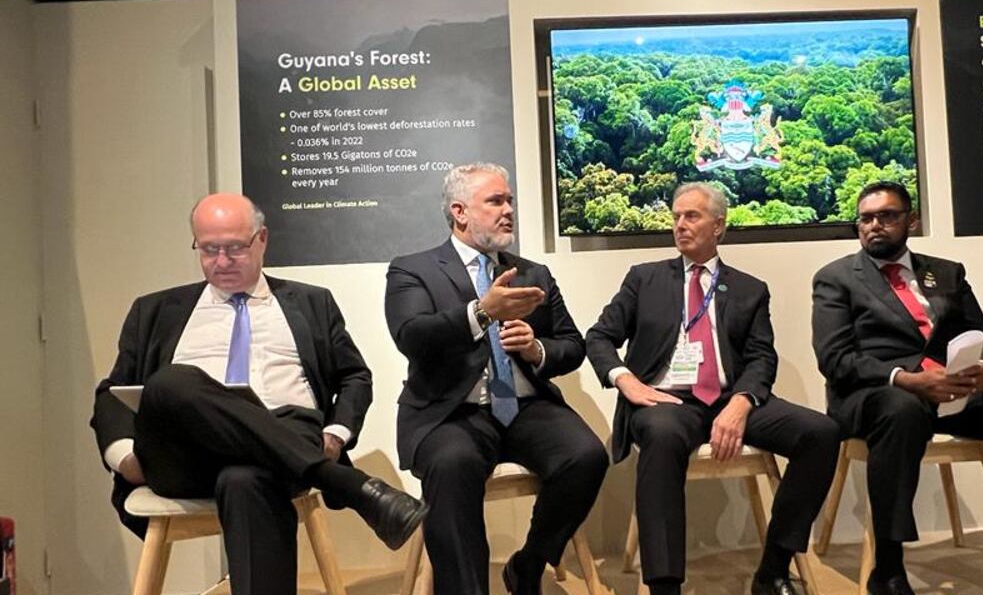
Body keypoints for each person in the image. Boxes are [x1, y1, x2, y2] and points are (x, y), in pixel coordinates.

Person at [90, 193, 427, 595]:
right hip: (184, 456)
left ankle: (330, 473)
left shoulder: (311, 302)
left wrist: (336, 435)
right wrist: (124, 456)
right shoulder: (156, 310)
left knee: (245, 480)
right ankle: (345, 484)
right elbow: (111, 393)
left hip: (282, 443)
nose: (221, 260)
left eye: (234, 247)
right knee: (171, 382)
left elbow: (354, 376)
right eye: (208, 248)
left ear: (262, 239)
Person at [811, 180, 983, 595]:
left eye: (887, 216)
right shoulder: (837, 279)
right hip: (876, 394)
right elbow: (835, 360)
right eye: (866, 219)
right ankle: (889, 568)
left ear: (910, 221)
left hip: (956, 391)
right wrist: (909, 379)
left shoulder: (946, 273)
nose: (875, 225)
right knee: (903, 409)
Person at [585, 182, 839, 595]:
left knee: (822, 433)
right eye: (676, 216)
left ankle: (773, 569)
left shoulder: (748, 289)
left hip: (729, 396)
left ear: (718, 226)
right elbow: (598, 337)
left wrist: (741, 402)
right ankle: (665, 585)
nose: (679, 225)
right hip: (666, 400)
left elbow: (762, 358)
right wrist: (625, 380)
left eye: (692, 216)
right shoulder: (644, 279)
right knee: (663, 436)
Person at [384, 162, 608, 595]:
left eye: (509, 200)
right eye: (495, 201)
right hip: (450, 412)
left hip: (526, 406)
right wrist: (482, 311)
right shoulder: (413, 270)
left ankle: (528, 564)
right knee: (452, 467)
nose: (508, 210)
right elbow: (411, 336)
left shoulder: (532, 273)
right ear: (460, 211)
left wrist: (535, 348)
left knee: (586, 456)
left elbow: (572, 345)